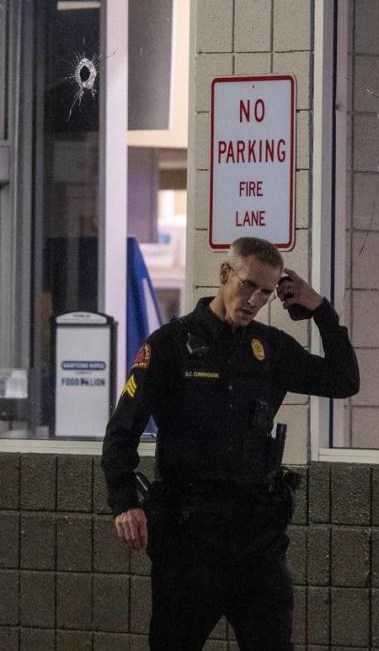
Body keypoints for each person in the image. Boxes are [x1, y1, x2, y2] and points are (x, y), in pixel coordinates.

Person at [101, 237, 359, 650]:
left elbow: (344, 381)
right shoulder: (169, 345)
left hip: (255, 539)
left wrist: (322, 312)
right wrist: (124, 501)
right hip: (189, 538)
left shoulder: (270, 348)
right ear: (225, 275)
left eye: (266, 292)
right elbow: (122, 431)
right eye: (248, 285)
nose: (255, 299)